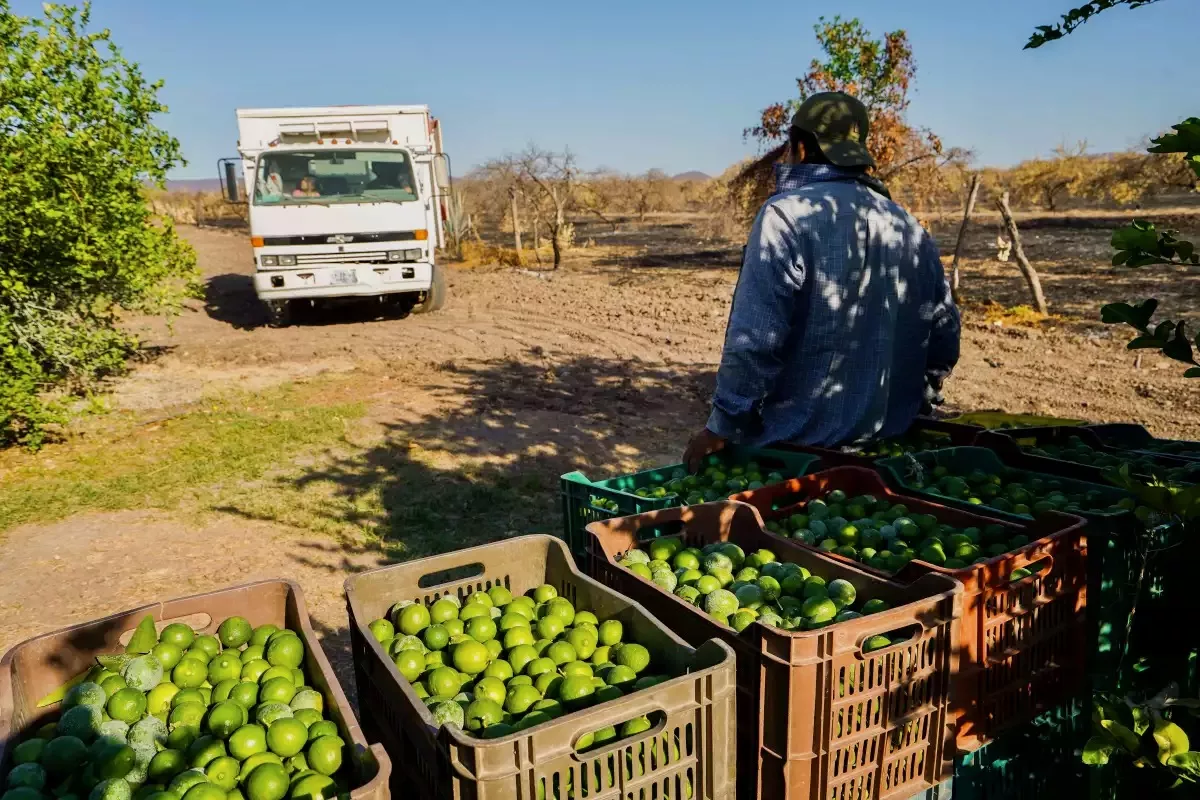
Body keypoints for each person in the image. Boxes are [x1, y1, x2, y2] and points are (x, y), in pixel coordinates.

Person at [683, 91, 960, 471]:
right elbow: (944, 334)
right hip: (890, 452)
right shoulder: (908, 226)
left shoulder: (785, 216)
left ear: (799, 147)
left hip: (797, 457)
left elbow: (755, 340)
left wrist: (722, 424)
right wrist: (918, 395)